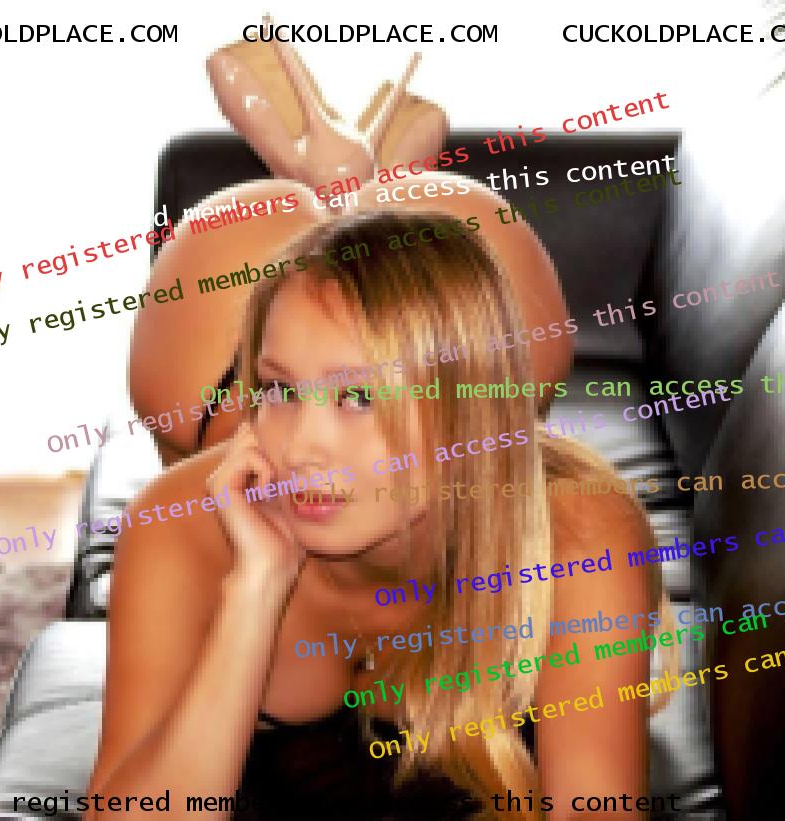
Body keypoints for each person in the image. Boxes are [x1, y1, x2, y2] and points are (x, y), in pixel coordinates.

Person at [86, 214, 655, 819]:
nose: (300, 448)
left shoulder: (581, 539)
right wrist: (254, 590)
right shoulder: (176, 525)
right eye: (279, 390)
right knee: (205, 323)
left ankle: (372, 181)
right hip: (203, 424)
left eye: (359, 397)